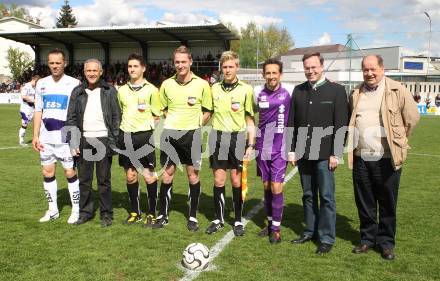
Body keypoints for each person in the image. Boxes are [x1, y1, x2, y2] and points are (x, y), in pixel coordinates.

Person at [347, 55, 420, 260]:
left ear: (382, 68)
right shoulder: (355, 93)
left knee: (387, 202)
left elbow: (412, 118)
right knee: (365, 201)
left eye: (373, 69)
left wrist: (399, 140)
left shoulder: (398, 90)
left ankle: (386, 243)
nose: (369, 73)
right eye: (365, 70)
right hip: (361, 156)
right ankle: (367, 239)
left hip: (387, 157)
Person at [287, 52, 348, 254]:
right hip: (303, 154)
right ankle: (309, 230)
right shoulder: (298, 90)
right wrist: (291, 150)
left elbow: (341, 124)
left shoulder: (337, 91)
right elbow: (292, 124)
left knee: (327, 197)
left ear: (322, 66)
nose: (310, 71)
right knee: (308, 195)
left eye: (314, 67)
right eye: (307, 67)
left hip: (325, 154)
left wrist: (335, 153)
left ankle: (326, 238)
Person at [153, 46, 212, 231]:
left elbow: (208, 110)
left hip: (192, 135)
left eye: (183, 62)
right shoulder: (166, 84)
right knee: (167, 174)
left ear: (190, 62)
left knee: (192, 175)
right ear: (174, 63)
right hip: (170, 134)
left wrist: (196, 124)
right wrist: (170, 118)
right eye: (177, 62)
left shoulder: (202, 84)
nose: (180, 65)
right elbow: (160, 107)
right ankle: (163, 215)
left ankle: (192, 216)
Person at [204, 51, 255, 237]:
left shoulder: (246, 89)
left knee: (236, 180)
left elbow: (250, 119)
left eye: (230, 66)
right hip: (217, 137)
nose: (227, 70)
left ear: (237, 67)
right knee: (218, 180)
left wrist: (250, 144)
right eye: (224, 67)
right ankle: (218, 219)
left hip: (238, 138)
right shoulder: (214, 88)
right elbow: (208, 113)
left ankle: (238, 219)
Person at [66, 58, 121, 227]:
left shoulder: (109, 91)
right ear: (84, 72)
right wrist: (74, 142)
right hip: (84, 140)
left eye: (94, 71)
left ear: (101, 72)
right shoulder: (77, 92)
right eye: (88, 71)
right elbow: (71, 118)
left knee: (104, 180)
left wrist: (113, 141)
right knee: (85, 180)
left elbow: (116, 117)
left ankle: (106, 214)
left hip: (103, 140)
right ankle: (85, 213)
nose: (91, 74)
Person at [32, 49, 81, 224]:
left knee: (70, 172)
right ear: (48, 63)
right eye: (51, 63)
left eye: (58, 63)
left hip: (66, 138)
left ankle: (76, 210)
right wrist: (35, 135)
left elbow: (77, 113)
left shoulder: (74, 83)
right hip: (46, 138)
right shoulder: (41, 84)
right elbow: (38, 110)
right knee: (47, 172)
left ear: (64, 63)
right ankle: (53, 210)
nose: (54, 66)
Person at [116, 54, 162, 227]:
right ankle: (135, 212)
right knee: (130, 175)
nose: (132, 69)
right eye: (130, 66)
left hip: (144, 137)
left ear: (143, 68)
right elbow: (120, 112)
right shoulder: (121, 90)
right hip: (126, 137)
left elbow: (158, 114)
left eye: (135, 66)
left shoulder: (152, 90)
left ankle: (151, 213)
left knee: (149, 176)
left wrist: (147, 129)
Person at [253, 58, 293, 243]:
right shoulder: (258, 93)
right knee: (267, 186)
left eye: (274, 73)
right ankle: (269, 224)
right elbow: (250, 115)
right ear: (263, 75)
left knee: (277, 186)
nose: (271, 76)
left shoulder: (289, 93)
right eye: (267, 73)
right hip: (262, 146)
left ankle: (276, 229)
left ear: (280, 74)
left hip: (280, 147)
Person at [19, 74, 40, 145]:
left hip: (33, 108)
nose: (37, 85)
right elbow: (23, 96)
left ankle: (38, 138)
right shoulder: (26, 86)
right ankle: (21, 140)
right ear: (34, 80)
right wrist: (33, 100)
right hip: (25, 109)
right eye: (36, 83)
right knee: (25, 124)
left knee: (38, 122)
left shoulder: (35, 88)